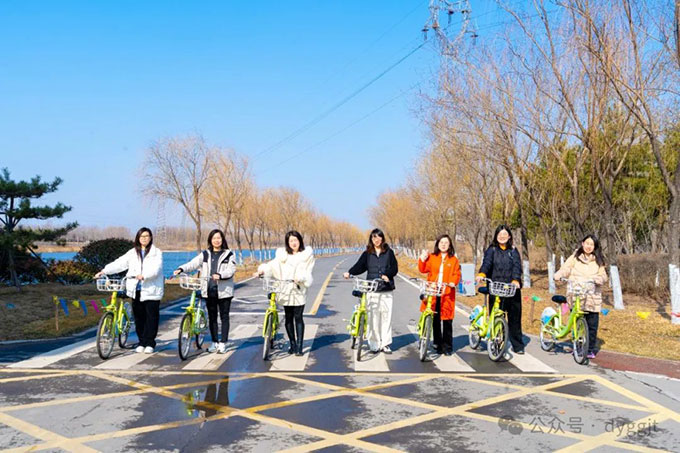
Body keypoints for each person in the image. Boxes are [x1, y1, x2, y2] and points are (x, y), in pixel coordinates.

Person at [95, 227, 164, 354]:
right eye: (142, 236)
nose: (144, 238)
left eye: (147, 236)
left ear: (150, 238)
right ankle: (142, 342)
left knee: (151, 317)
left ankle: (150, 343)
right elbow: (119, 263)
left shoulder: (156, 252)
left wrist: (145, 275)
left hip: (151, 289)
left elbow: (157, 269)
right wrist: (104, 271)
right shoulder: (132, 252)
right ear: (138, 238)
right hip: (135, 288)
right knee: (139, 317)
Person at [174, 229, 236, 354]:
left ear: (222, 239)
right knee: (212, 318)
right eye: (214, 238)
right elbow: (193, 264)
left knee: (224, 317)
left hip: (224, 291)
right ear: (210, 240)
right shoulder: (206, 254)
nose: (216, 240)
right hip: (209, 290)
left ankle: (223, 343)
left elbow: (231, 270)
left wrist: (220, 275)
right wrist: (181, 269)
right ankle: (215, 342)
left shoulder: (229, 254)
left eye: (219, 238)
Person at [255, 231, 315, 356]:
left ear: (300, 241)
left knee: (298, 317)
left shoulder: (307, 256)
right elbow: (271, 266)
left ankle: (299, 346)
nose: (294, 243)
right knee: (288, 317)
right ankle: (292, 344)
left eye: (295, 240)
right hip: (285, 290)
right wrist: (262, 271)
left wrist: (301, 277)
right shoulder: (282, 256)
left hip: (299, 289)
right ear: (287, 242)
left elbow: (308, 272)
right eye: (291, 240)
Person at [343, 228, 398, 354]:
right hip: (372, 289)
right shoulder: (367, 253)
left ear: (382, 238)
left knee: (386, 317)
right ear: (371, 239)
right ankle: (374, 343)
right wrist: (349, 272)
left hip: (386, 289)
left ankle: (385, 344)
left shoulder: (389, 252)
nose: (376, 239)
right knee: (373, 318)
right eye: (374, 237)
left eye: (378, 237)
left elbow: (395, 268)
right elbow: (360, 266)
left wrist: (387, 275)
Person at [554, 234, 608, 359]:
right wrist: (559, 274)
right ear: (583, 243)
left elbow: (603, 275)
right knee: (577, 322)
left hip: (592, 296)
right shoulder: (575, 257)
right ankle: (577, 347)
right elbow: (566, 268)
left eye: (591, 244)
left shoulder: (598, 260)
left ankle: (589, 349)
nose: (589, 246)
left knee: (592, 325)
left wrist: (599, 279)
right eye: (587, 243)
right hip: (576, 294)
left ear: (595, 246)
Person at [475, 224, 524, 355]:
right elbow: (487, 263)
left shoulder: (513, 250)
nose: (502, 237)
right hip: (496, 287)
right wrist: (482, 274)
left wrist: (516, 279)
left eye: (505, 234)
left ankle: (518, 345)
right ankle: (496, 342)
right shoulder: (492, 250)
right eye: (500, 234)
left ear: (509, 236)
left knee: (514, 318)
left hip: (511, 289)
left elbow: (517, 266)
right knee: (496, 316)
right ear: (496, 236)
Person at [418, 234, 461, 355]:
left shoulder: (453, 260)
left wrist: (453, 282)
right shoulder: (432, 257)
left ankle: (447, 346)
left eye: (446, 243)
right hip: (433, 291)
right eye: (441, 242)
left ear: (450, 245)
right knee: (435, 318)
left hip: (447, 293)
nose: (443, 245)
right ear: (437, 244)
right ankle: (437, 343)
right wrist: (422, 259)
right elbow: (423, 269)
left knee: (447, 320)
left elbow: (457, 274)